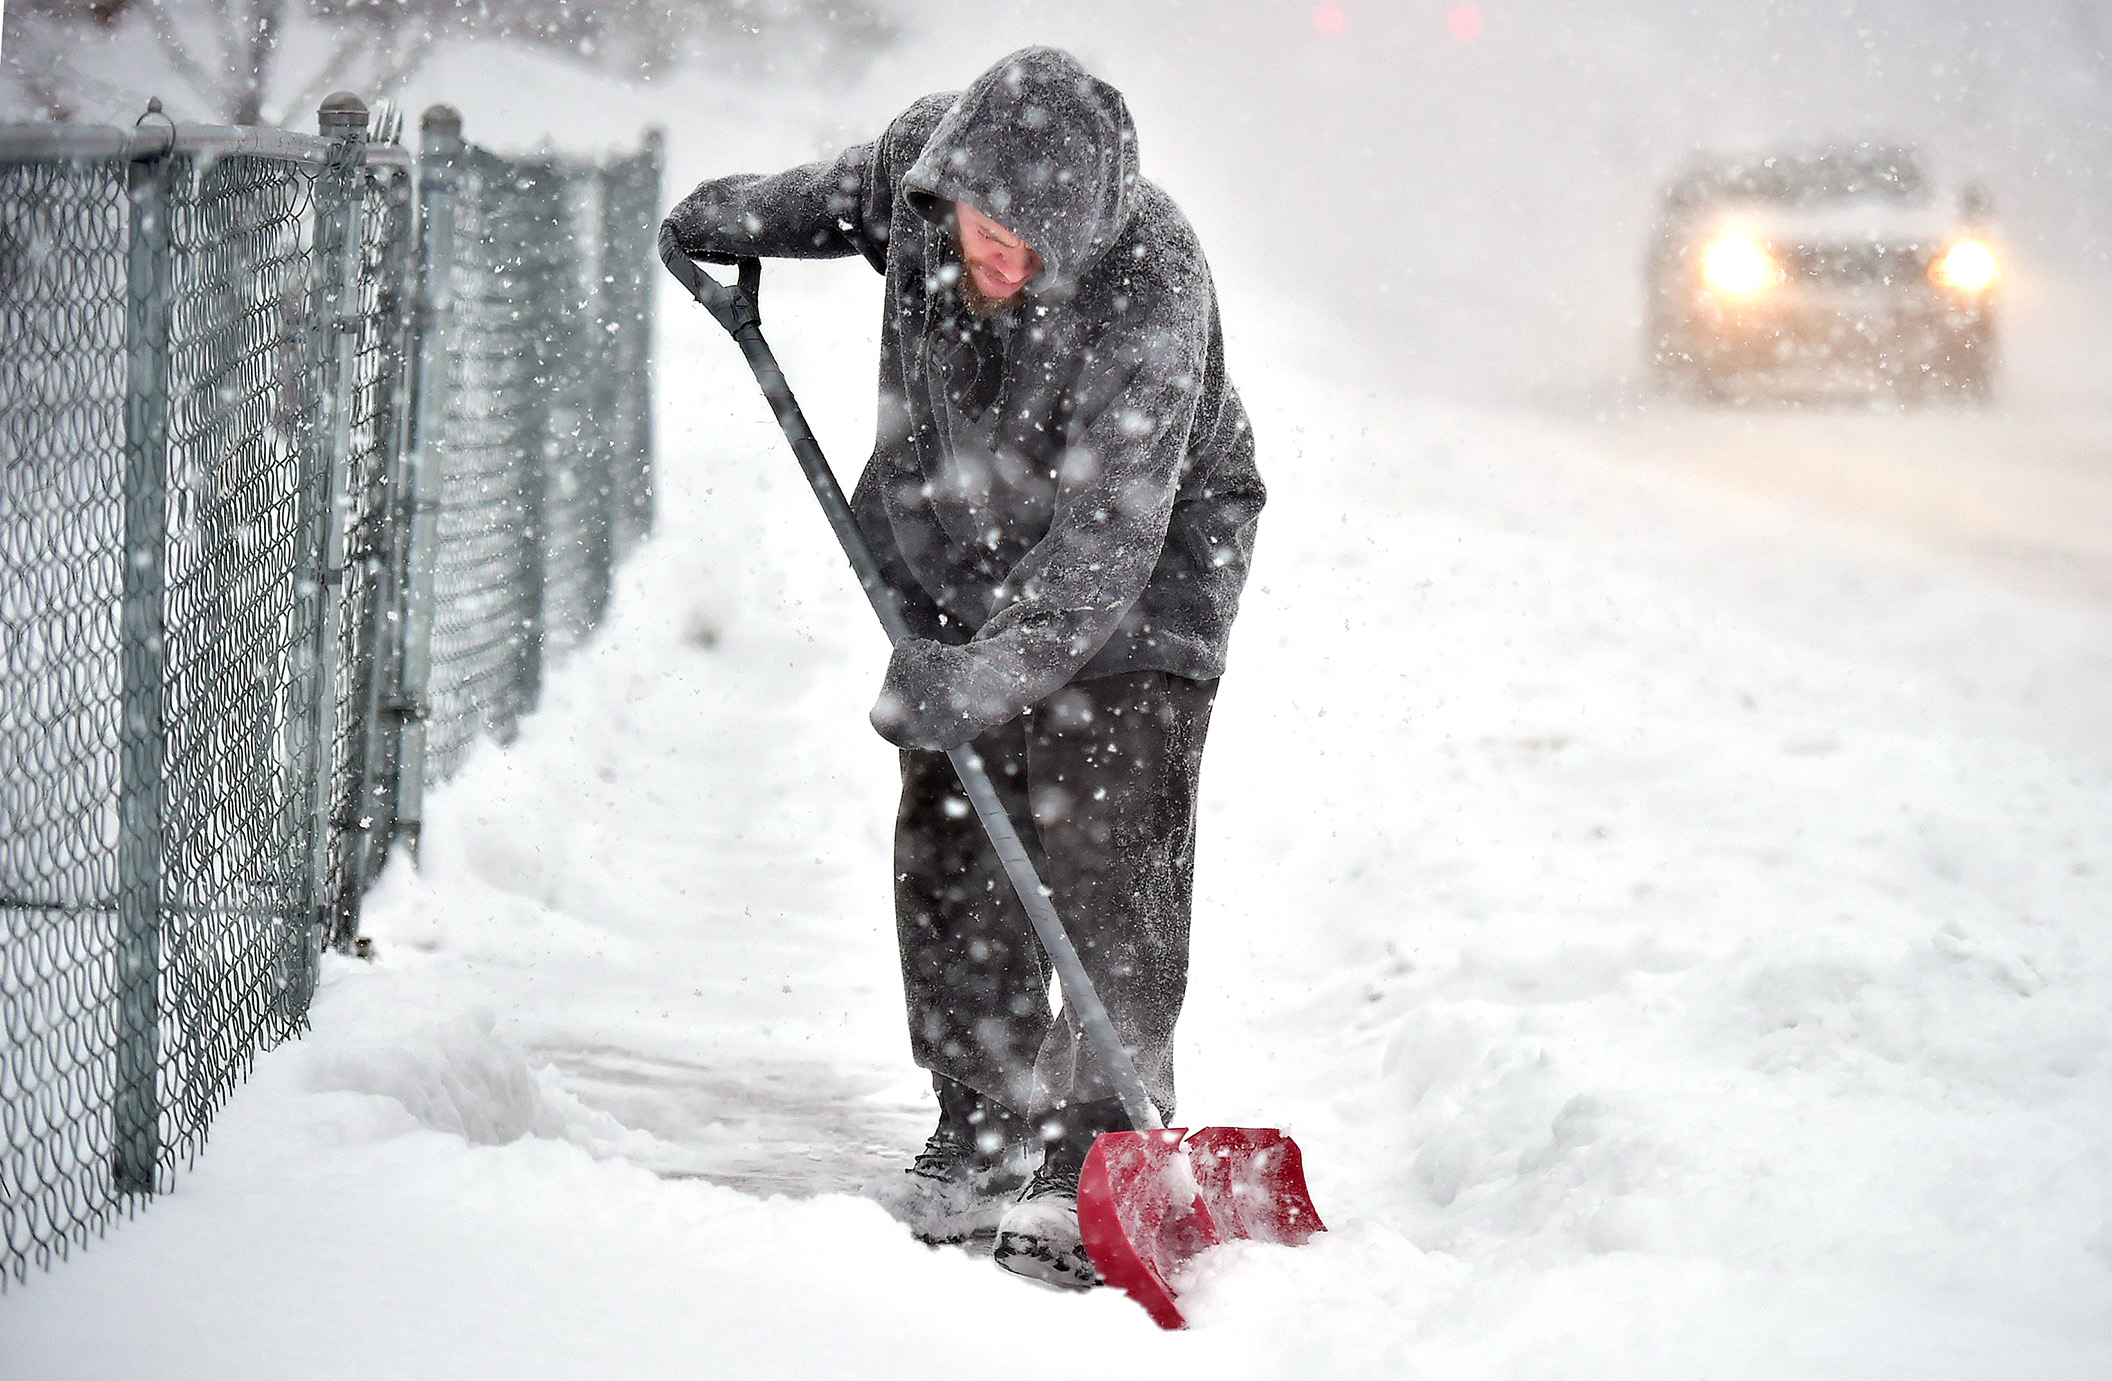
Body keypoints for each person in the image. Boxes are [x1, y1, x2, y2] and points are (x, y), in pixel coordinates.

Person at [663, 45, 1264, 1289]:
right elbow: (833, 199)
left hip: (1148, 571)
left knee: (1106, 824)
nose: (999, 256)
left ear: (1088, 230)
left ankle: (1094, 1151)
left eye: (1031, 241)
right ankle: (981, 1118)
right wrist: (727, 216)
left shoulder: (1152, 283)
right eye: (986, 226)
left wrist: (997, 673)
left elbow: (1108, 542)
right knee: (953, 821)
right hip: (968, 540)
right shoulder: (927, 174)